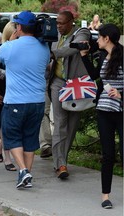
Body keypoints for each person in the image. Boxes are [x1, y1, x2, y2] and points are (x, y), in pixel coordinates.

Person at [0, 11, 50, 189]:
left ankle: (23, 170)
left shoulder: (10, 47)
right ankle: (25, 175)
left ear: (18, 27)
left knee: (13, 136)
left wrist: (12, 39)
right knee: (30, 138)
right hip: (37, 101)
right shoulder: (44, 48)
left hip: (16, 101)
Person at [80, 23, 123, 209]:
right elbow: (94, 76)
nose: (96, 40)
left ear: (107, 38)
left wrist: (122, 94)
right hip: (104, 110)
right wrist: (84, 57)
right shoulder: (104, 55)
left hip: (121, 111)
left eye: (99, 37)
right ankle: (105, 196)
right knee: (108, 155)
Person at [49, 10, 90, 179]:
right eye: (57, 23)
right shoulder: (55, 36)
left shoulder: (82, 33)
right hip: (58, 83)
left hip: (76, 85)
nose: (58, 26)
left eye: (62, 23)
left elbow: (73, 49)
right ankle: (61, 164)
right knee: (59, 123)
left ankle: (62, 159)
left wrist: (53, 53)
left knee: (72, 125)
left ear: (71, 22)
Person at [0, 22, 17, 171]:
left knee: (11, 125)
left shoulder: (22, 48)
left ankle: (0, 145)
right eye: (16, 34)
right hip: (3, 90)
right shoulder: (2, 50)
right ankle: (7, 158)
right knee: (4, 123)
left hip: (17, 90)